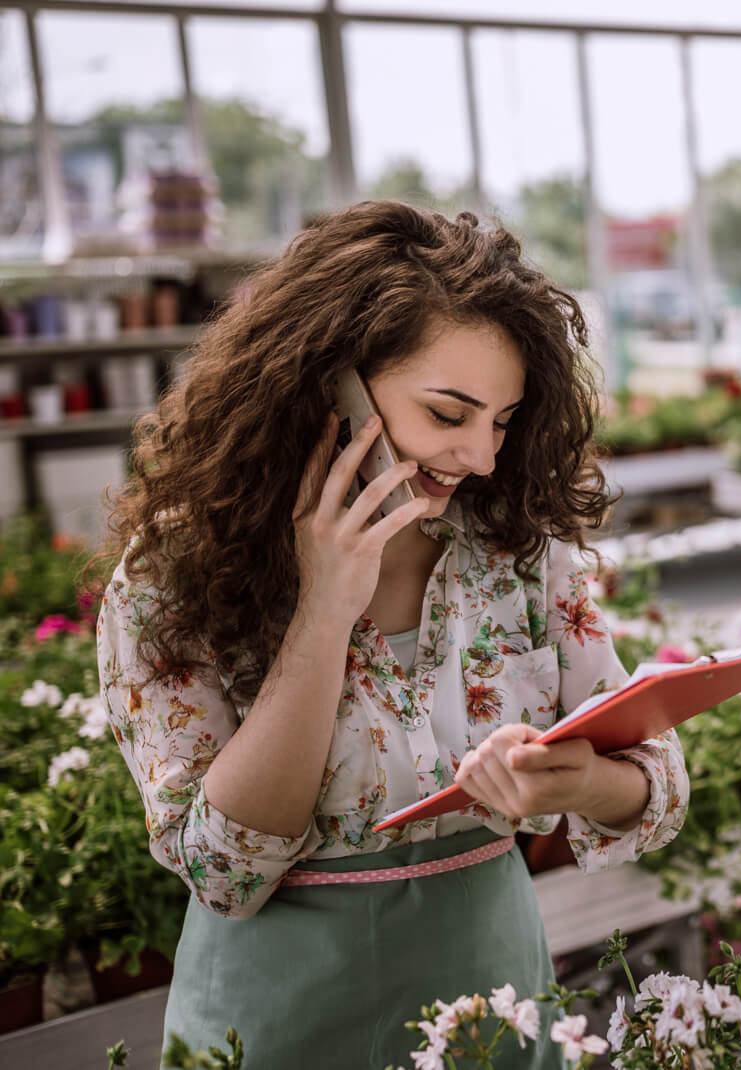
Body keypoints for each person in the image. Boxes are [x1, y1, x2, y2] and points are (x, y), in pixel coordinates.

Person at [94, 201, 689, 1070]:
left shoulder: (519, 550)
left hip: (496, 1000)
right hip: (278, 1016)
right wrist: (324, 612)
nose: (482, 458)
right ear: (326, 384)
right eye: (449, 415)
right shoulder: (171, 573)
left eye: (503, 420)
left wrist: (583, 782)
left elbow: (660, 789)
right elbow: (224, 873)